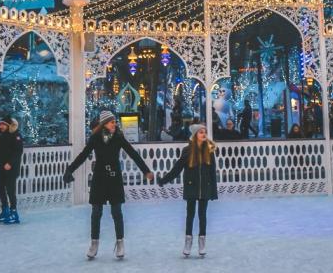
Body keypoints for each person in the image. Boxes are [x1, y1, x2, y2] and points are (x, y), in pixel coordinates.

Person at [63, 110, 154, 259]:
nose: (115, 124)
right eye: (112, 122)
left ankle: (120, 243)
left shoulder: (118, 137)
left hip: (114, 178)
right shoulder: (95, 138)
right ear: (104, 123)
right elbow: (83, 155)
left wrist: (146, 171)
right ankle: (94, 243)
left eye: (114, 122)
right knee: (96, 212)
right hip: (99, 178)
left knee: (116, 212)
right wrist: (69, 170)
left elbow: (133, 153)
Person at [158, 123, 218, 257]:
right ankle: (188, 241)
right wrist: (163, 180)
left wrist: (213, 191)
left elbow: (212, 172)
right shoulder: (187, 150)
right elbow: (177, 168)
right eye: (201, 132)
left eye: (205, 132)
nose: (204, 134)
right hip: (191, 187)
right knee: (190, 215)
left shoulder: (209, 150)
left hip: (205, 187)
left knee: (202, 215)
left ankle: (202, 242)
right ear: (195, 135)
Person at [0, 115, 23, 224]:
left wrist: (10, 163)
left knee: (10, 190)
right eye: (0, 124)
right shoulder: (0, 136)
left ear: (8, 125)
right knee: (0, 188)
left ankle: (14, 213)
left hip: (12, 167)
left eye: (3, 124)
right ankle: (5, 210)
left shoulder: (16, 135)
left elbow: (18, 152)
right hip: (3, 166)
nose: (1, 126)